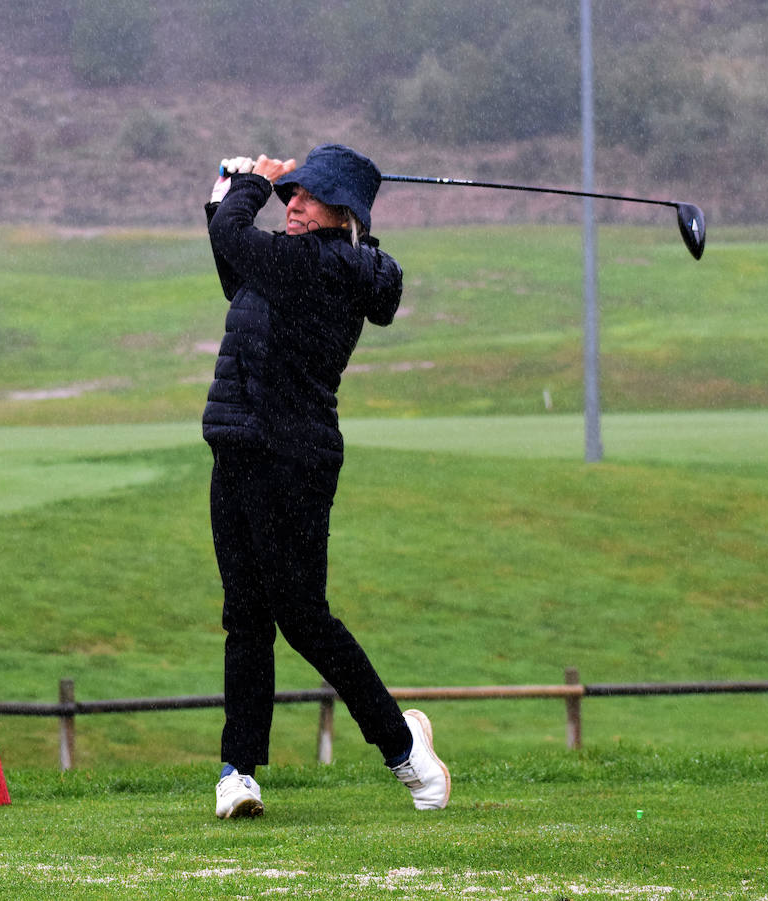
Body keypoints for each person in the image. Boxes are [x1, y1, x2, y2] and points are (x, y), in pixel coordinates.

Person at [202, 144, 450, 819]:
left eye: (307, 198)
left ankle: (405, 747)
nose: (295, 204)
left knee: (305, 619)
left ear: (343, 214)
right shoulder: (288, 263)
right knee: (247, 617)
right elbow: (234, 265)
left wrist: (251, 183)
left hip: (294, 461)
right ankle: (239, 771)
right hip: (238, 450)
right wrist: (229, 189)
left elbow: (234, 237)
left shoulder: (316, 263)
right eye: (291, 195)